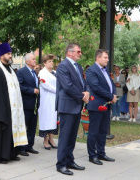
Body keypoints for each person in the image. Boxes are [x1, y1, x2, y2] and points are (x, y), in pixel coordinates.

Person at [0, 42, 27, 163]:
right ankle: (0, 156)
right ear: (1, 55)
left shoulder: (11, 70)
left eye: (11, 53)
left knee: (11, 132)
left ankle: (11, 153)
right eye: (8, 53)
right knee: (2, 132)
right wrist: (1, 110)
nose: (11, 55)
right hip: (1, 109)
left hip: (12, 108)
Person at [55, 43, 89, 175]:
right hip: (67, 106)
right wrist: (82, 96)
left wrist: (86, 92)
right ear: (70, 52)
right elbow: (68, 86)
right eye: (78, 51)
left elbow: (83, 83)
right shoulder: (63, 66)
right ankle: (61, 164)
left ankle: (69, 160)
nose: (80, 53)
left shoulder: (78, 66)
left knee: (72, 136)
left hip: (76, 105)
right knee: (65, 136)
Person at [86, 49, 117, 166]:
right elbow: (96, 87)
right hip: (96, 105)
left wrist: (114, 95)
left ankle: (101, 152)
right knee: (94, 131)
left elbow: (111, 84)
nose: (107, 60)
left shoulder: (105, 70)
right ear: (98, 58)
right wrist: (110, 96)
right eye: (105, 57)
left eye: (107, 58)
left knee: (103, 131)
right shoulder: (91, 70)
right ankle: (92, 155)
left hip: (106, 104)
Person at [17, 53, 40, 156]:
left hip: (34, 105)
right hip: (26, 104)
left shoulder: (34, 72)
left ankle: (29, 146)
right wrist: (31, 90)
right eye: (33, 59)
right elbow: (19, 86)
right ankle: (21, 148)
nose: (35, 61)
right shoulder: (21, 72)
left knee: (32, 126)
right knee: (24, 126)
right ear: (27, 61)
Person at [38, 54, 58, 150]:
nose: (51, 63)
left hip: (54, 99)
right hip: (46, 99)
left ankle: (51, 138)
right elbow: (45, 85)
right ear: (44, 63)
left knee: (53, 119)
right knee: (46, 119)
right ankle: (45, 140)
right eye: (49, 61)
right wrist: (57, 90)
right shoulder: (42, 73)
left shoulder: (55, 72)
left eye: (52, 61)